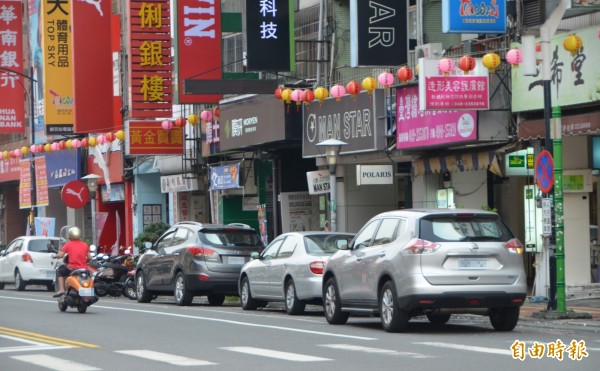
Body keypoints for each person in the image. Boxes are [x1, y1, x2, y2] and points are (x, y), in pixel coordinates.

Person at [52, 227, 92, 297]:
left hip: (72, 268)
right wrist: (85, 261)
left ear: (70, 235)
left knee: (59, 270)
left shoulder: (68, 244)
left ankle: (61, 289)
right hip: (84, 268)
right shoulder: (85, 245)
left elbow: (61, 255)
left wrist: (55, 256)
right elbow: (90, 258)